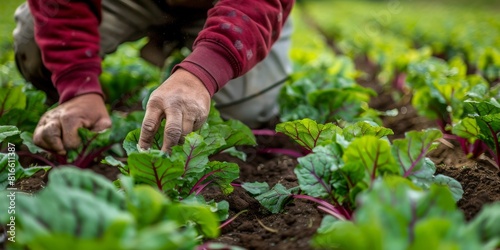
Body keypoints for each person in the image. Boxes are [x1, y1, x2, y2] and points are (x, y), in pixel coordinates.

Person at [13, 0, 294, 154]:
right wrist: (79, 90)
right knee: (33, 42)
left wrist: (203, 72)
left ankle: (182, 44)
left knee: (245, 111)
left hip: (235, 7)